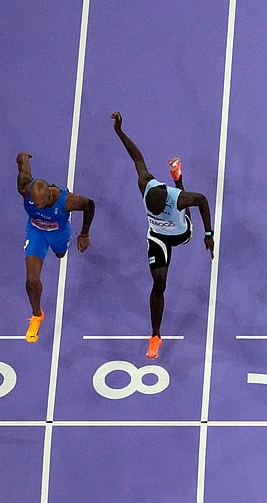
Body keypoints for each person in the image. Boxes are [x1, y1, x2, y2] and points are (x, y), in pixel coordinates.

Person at [110, 111, 214, 359]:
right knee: (159, 284)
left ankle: (178, 179)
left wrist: (208, 233)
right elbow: (137, 158)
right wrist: (119, 131)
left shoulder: (177, 200)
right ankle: (155, 335)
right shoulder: (144, 184)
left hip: (181, 233)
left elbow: (202, 200)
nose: (156, 210)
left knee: (185, 202)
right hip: (157, 237)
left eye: (159, 208)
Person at [16, 153, 96, 343]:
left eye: (42, 203)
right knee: (31, 280)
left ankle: (60, 249)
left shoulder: (67, 200)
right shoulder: (24, 188)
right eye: (36, 203)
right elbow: (22, 166)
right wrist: (23, 157)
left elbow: (89, 205)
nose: (39, 206)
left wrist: (84, 234)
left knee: (60, 254)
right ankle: (36, 315)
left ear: (50, 194)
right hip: (36, 233)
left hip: (58, 234)